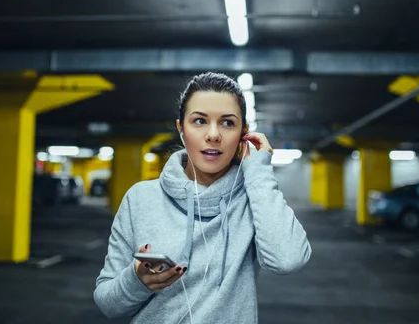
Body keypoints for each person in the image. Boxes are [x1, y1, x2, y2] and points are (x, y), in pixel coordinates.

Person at [94, 72, 312, 323]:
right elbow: (107, 304)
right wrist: (136, 282)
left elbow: (288, 259)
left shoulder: (253, 200)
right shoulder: (140, 199)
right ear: (181, 129)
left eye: (227, 123)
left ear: (244, 135)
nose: (213, 135)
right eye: (199, 121)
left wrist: (259, 172)